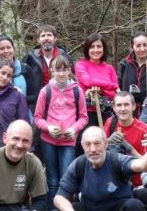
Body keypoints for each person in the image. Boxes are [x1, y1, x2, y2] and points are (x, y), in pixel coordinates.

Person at [53, 127, 147, 211]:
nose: (92, 149)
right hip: (90, 208)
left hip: (119, 208)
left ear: (106, 144)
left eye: (97, 143)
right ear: (82, 146)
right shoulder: (78, 165)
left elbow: (142, 165)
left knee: (134, 206)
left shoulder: (117, 160)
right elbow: (59, 197)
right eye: (88, 144)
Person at [33, 55, 88, 209]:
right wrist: (48, 127)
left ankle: (63, 207)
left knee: (66, 177)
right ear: (52, 71)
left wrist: (74, 129)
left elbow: (83, 117)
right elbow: (37, 118)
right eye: (58, 70)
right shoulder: (46, 91)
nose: (62, 74)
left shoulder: (77, 91)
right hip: (48, 140)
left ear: (70, 71)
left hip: (68, 142)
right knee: (52, 178)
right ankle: (52, 207)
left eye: (65, 70)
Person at [0, 120, 48, 210]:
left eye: (25, 141)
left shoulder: (34, 163)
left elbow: (41, 200)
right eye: (16, 139)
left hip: (20, 207)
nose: (20, 145)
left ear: (30, 143)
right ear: (5, 138)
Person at [74, 33, 118, 150]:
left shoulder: (109, 68)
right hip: (87, 113)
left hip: (107, 113)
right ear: (87, 49)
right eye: (92, 47)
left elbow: (114, 94)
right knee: (87, 146)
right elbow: (88, 82)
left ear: (103, 48)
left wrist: (101, 90)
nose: (96, 50)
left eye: (99, 46)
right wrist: (110, 85)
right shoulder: (80, 65)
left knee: (105, 145)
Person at [103, 91, 147, 187]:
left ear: (134, 106)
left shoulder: (144, 130)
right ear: (114, 108)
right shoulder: (110, 122)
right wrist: (108, 141)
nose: (122, 109)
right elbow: (99, 153)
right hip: (112, 181)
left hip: (136, 184)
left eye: (126, 105)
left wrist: (130, 148)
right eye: (119, 105)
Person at [23, 24, 73, 111]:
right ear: (38, 40)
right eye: (43, 36)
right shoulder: (30, 57)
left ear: (55, 38)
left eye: (49, 35)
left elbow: (72, 79)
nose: (46, 38)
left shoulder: (65, 56)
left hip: (61, 101)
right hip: (37, 102)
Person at [118, 31, 147, 111]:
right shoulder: (124, 64)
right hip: (128, 112)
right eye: (138, 46)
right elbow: (117, 86)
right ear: (132, 47)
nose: (142, 49)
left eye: (145, 45)